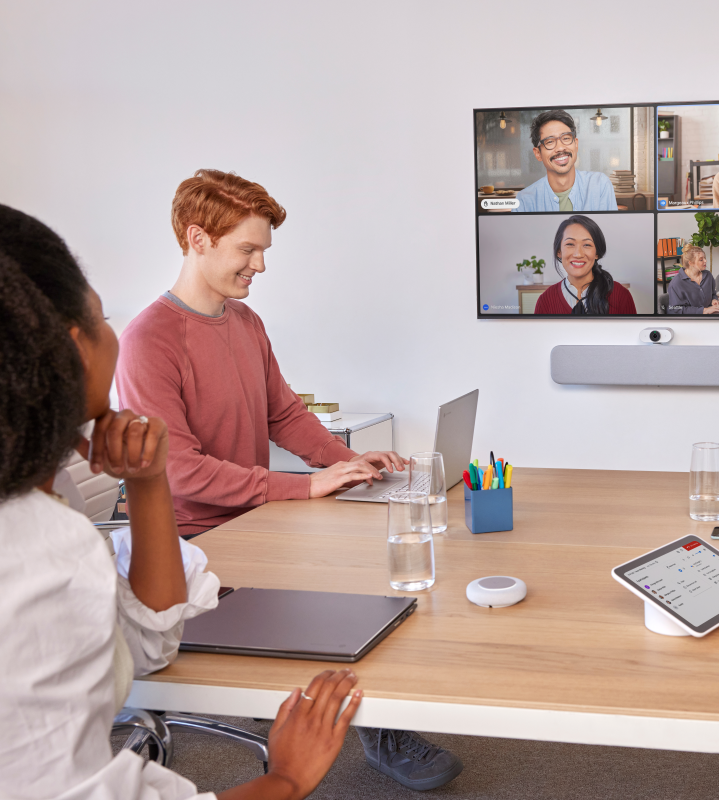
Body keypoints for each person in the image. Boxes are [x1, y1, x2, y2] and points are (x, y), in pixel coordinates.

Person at [0, 204, 364, 800]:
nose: (260, 265)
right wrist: (286, 780)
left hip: (234, 523)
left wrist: (340, 464)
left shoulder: (50, 498)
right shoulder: (41, 556)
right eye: (99, 317)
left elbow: (146, 642)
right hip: (207, 536)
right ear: (71, 349)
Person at [115, 170, 464, 792]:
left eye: (264, 252)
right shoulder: (150, 339)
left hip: (257, 519)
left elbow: (283, 413)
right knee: (348, 586)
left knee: (378, 553)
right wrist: (303, 486)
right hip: (196, 546)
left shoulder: (244, 323)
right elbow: (180, 470)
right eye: (247, 251)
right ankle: (375, 728)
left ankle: (382, 711)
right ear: (197, 239)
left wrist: (348, 464)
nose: (260, 267)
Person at [515, 110, 618, 213]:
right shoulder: (524, 201)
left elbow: (610, 228)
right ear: (538, 153)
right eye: (550, 142)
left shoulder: (600, 185)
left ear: (576, 144)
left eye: (566, 138)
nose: (560, 148)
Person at [533, 215, 637, 314]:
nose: (578, 254)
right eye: (570, 244)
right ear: (559, 252)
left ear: (597, 253)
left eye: (587, 245)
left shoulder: (621, 296)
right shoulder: (545, 300)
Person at [667, 244, 719, 314]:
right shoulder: (676, 283)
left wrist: (714, 300)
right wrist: (704, 310)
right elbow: (676, 309)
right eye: (701, 259)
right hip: (687, 321)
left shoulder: (708, 275)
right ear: (691, 263)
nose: (705, 261)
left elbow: (713, 293)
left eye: (705, 258)